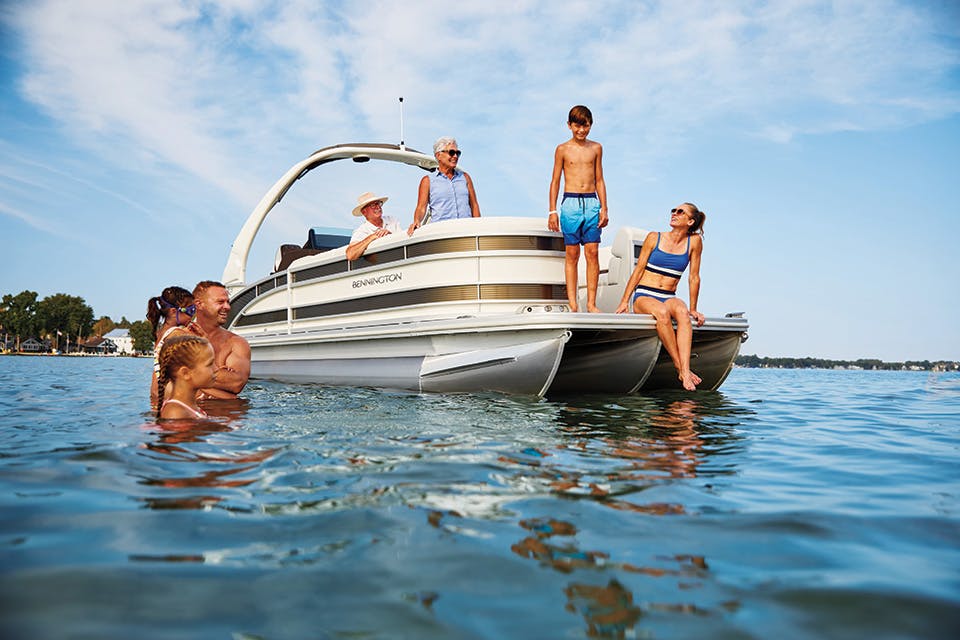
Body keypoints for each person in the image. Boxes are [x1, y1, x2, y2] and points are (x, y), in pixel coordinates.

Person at [615, 204, 706, 391]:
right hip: (645, 294)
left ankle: (686, 368)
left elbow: (694, 277)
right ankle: (680, 368)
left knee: (682, 312)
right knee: (662, 313)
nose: (674, 214)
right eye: (673, 210)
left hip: (668, 295)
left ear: (690, 221)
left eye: (680, 212)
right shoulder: (654, 237)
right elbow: (638, 270)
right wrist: (625, 301)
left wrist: (693, 308)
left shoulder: (694, 242)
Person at [548, 105, 608, 313]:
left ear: (591, 125)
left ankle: (591, 304)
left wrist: (604, 208)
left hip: (592, 202)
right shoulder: (562, 149)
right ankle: (573, 303)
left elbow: (599, 179)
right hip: (571, 203)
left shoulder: (596, 148)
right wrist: (552, 210)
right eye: (577, 126)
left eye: (586, 126)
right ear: (569, 125)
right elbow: (555, 180)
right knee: (572, 254)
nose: (581, 130)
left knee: (592, 253)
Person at [188, 280, 251, 399]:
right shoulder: (178, 338)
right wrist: (225, 394)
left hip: (224, 415)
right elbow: (158, 392)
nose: (227, 307)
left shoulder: (237, 343)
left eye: (228, 302)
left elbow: (236, 384)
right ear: (199, 304)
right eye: (220, 302)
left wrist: (190, 383)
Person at [408, 136, 481, 235]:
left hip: (466, 231)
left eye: (457, 153)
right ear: (438, 155)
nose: (455, 156)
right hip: (441, 233)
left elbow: (474, 205)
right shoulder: (427, 181)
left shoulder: (465, 177)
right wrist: (417, 221)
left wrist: (479, 227)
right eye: (451, 152)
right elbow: (421, 208)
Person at [147, 286, 196, 401]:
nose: (193, 315)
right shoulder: (178, 334)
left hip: (158, 394)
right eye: (191, 310)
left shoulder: (161, 333)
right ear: (174, 311)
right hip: (168, 395)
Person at [156, 334, 216, 420]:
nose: (216, 369)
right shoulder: (175, 413)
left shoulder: (188, 407)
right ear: (185, 373)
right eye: (210, 364)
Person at [345, 192, 402, 261]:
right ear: (364, 212)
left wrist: (390, 235)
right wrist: (372, 237)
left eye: (378, 203)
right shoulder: (361, 231)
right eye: (373, 205)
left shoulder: (392, 220)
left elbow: (403, 240)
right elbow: (350, 254)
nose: (378, 207)